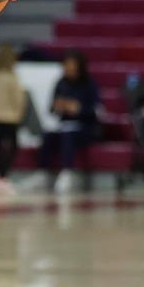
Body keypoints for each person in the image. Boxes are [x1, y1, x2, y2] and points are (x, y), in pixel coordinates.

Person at [43, 51, 99, 192]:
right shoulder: (61, 83)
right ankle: (43, 173)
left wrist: (79, 109)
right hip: (64, 124)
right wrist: (58, 106)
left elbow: (97, 110)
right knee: (48, 135)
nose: (68, 69)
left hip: (85, 126)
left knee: (68, 136)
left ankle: (67, 173)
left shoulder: (89, 84)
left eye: (72, 65)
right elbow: (51, 108)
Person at [0, 44, 26, 196]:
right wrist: (19, 112)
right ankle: (4, 176)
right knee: (12, 148)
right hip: (11, 117)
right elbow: (18, 98)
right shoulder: (12, 76)